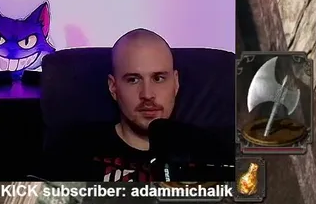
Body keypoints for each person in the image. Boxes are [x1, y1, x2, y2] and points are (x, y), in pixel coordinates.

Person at [41, 28, 232, 182]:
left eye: (158, 78)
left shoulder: (214, 151)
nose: (147, 94)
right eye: (133, 80)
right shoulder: (72, 151)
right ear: (113, 87)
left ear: (176, 83)